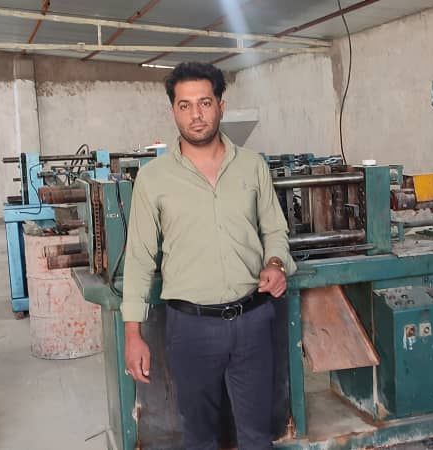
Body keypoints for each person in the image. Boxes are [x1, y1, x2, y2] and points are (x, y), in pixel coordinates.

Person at [120, 61, 296, 450]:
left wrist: (275, 263)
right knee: (199, 438)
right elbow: (139, 259)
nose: (195, 115)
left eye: (204, 103)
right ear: (173, 110)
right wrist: (132, 334)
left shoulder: (252, 166)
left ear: (221, 105)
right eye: (184, 105)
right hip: (191, 328)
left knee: (257, 436)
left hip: (253, 320)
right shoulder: (153, 179)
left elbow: (275, 230)